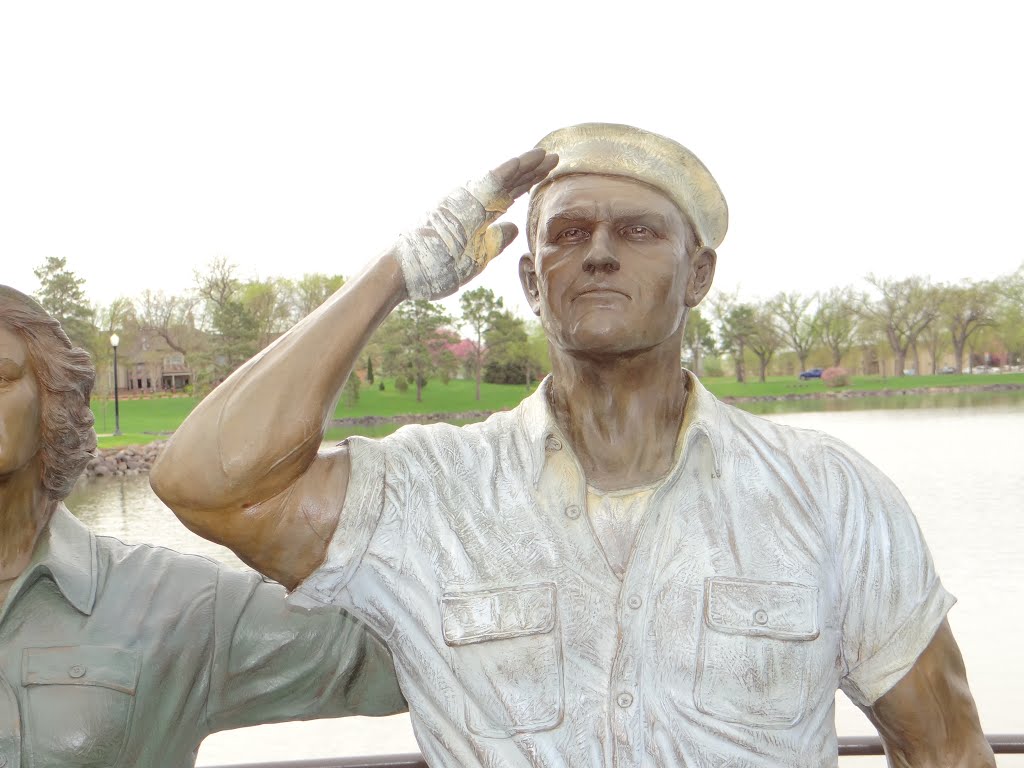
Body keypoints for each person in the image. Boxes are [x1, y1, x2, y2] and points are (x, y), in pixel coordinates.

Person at [150, 124, 994, 767]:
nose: (596, 253)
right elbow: (208, 484)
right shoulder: (425, 493)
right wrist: (402, 271)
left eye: (637, 233)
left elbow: (949, 747)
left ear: (697, 276)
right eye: (566, 233)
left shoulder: (829, 493)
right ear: (530, 281)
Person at [0, 285, 406, 767]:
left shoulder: (176, 605)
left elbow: (400, 653)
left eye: (0, 376)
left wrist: (392, 277)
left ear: (53, 397)